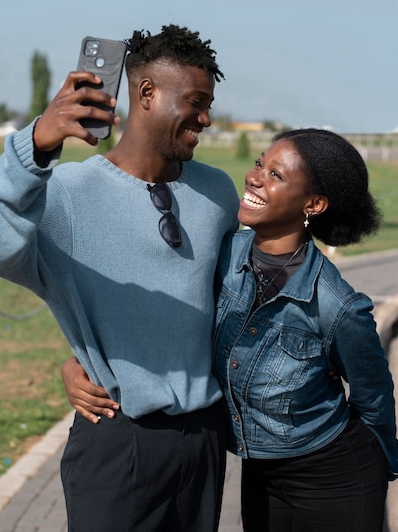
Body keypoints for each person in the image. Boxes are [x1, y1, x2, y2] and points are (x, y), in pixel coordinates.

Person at [64, 128, 398, 531]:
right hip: (260, 472)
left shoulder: (335, 304)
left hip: (335, 476)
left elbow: (374, 396)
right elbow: (155, 317)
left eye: (276, 174)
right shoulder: (218, 257)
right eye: (260, 162)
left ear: (314, 203)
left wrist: (378, 474)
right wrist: (81, 361)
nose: (255, 176)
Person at [0, 25, 240, 532]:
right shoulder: (67, 195)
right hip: (119, 442)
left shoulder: (217, 191)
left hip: (205, 439)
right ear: (146, 93)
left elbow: (228, 298)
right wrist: (33, 146)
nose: (206, 119)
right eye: (195, 101)